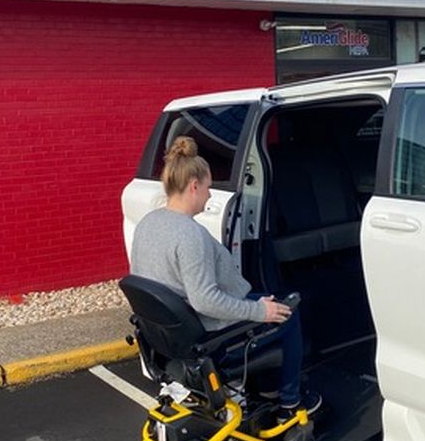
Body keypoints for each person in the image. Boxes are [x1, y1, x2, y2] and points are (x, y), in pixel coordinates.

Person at [130, 136, 320, 421]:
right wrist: (259, 311)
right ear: (193, 186)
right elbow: (205, 299)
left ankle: (268, 386)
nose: (210, 194)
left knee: (268, 302)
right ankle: (290, 404)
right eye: (208, 186)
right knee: (287, 314)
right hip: (209, 335)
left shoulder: (149, 223)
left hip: (173, 335)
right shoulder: (189, 235)